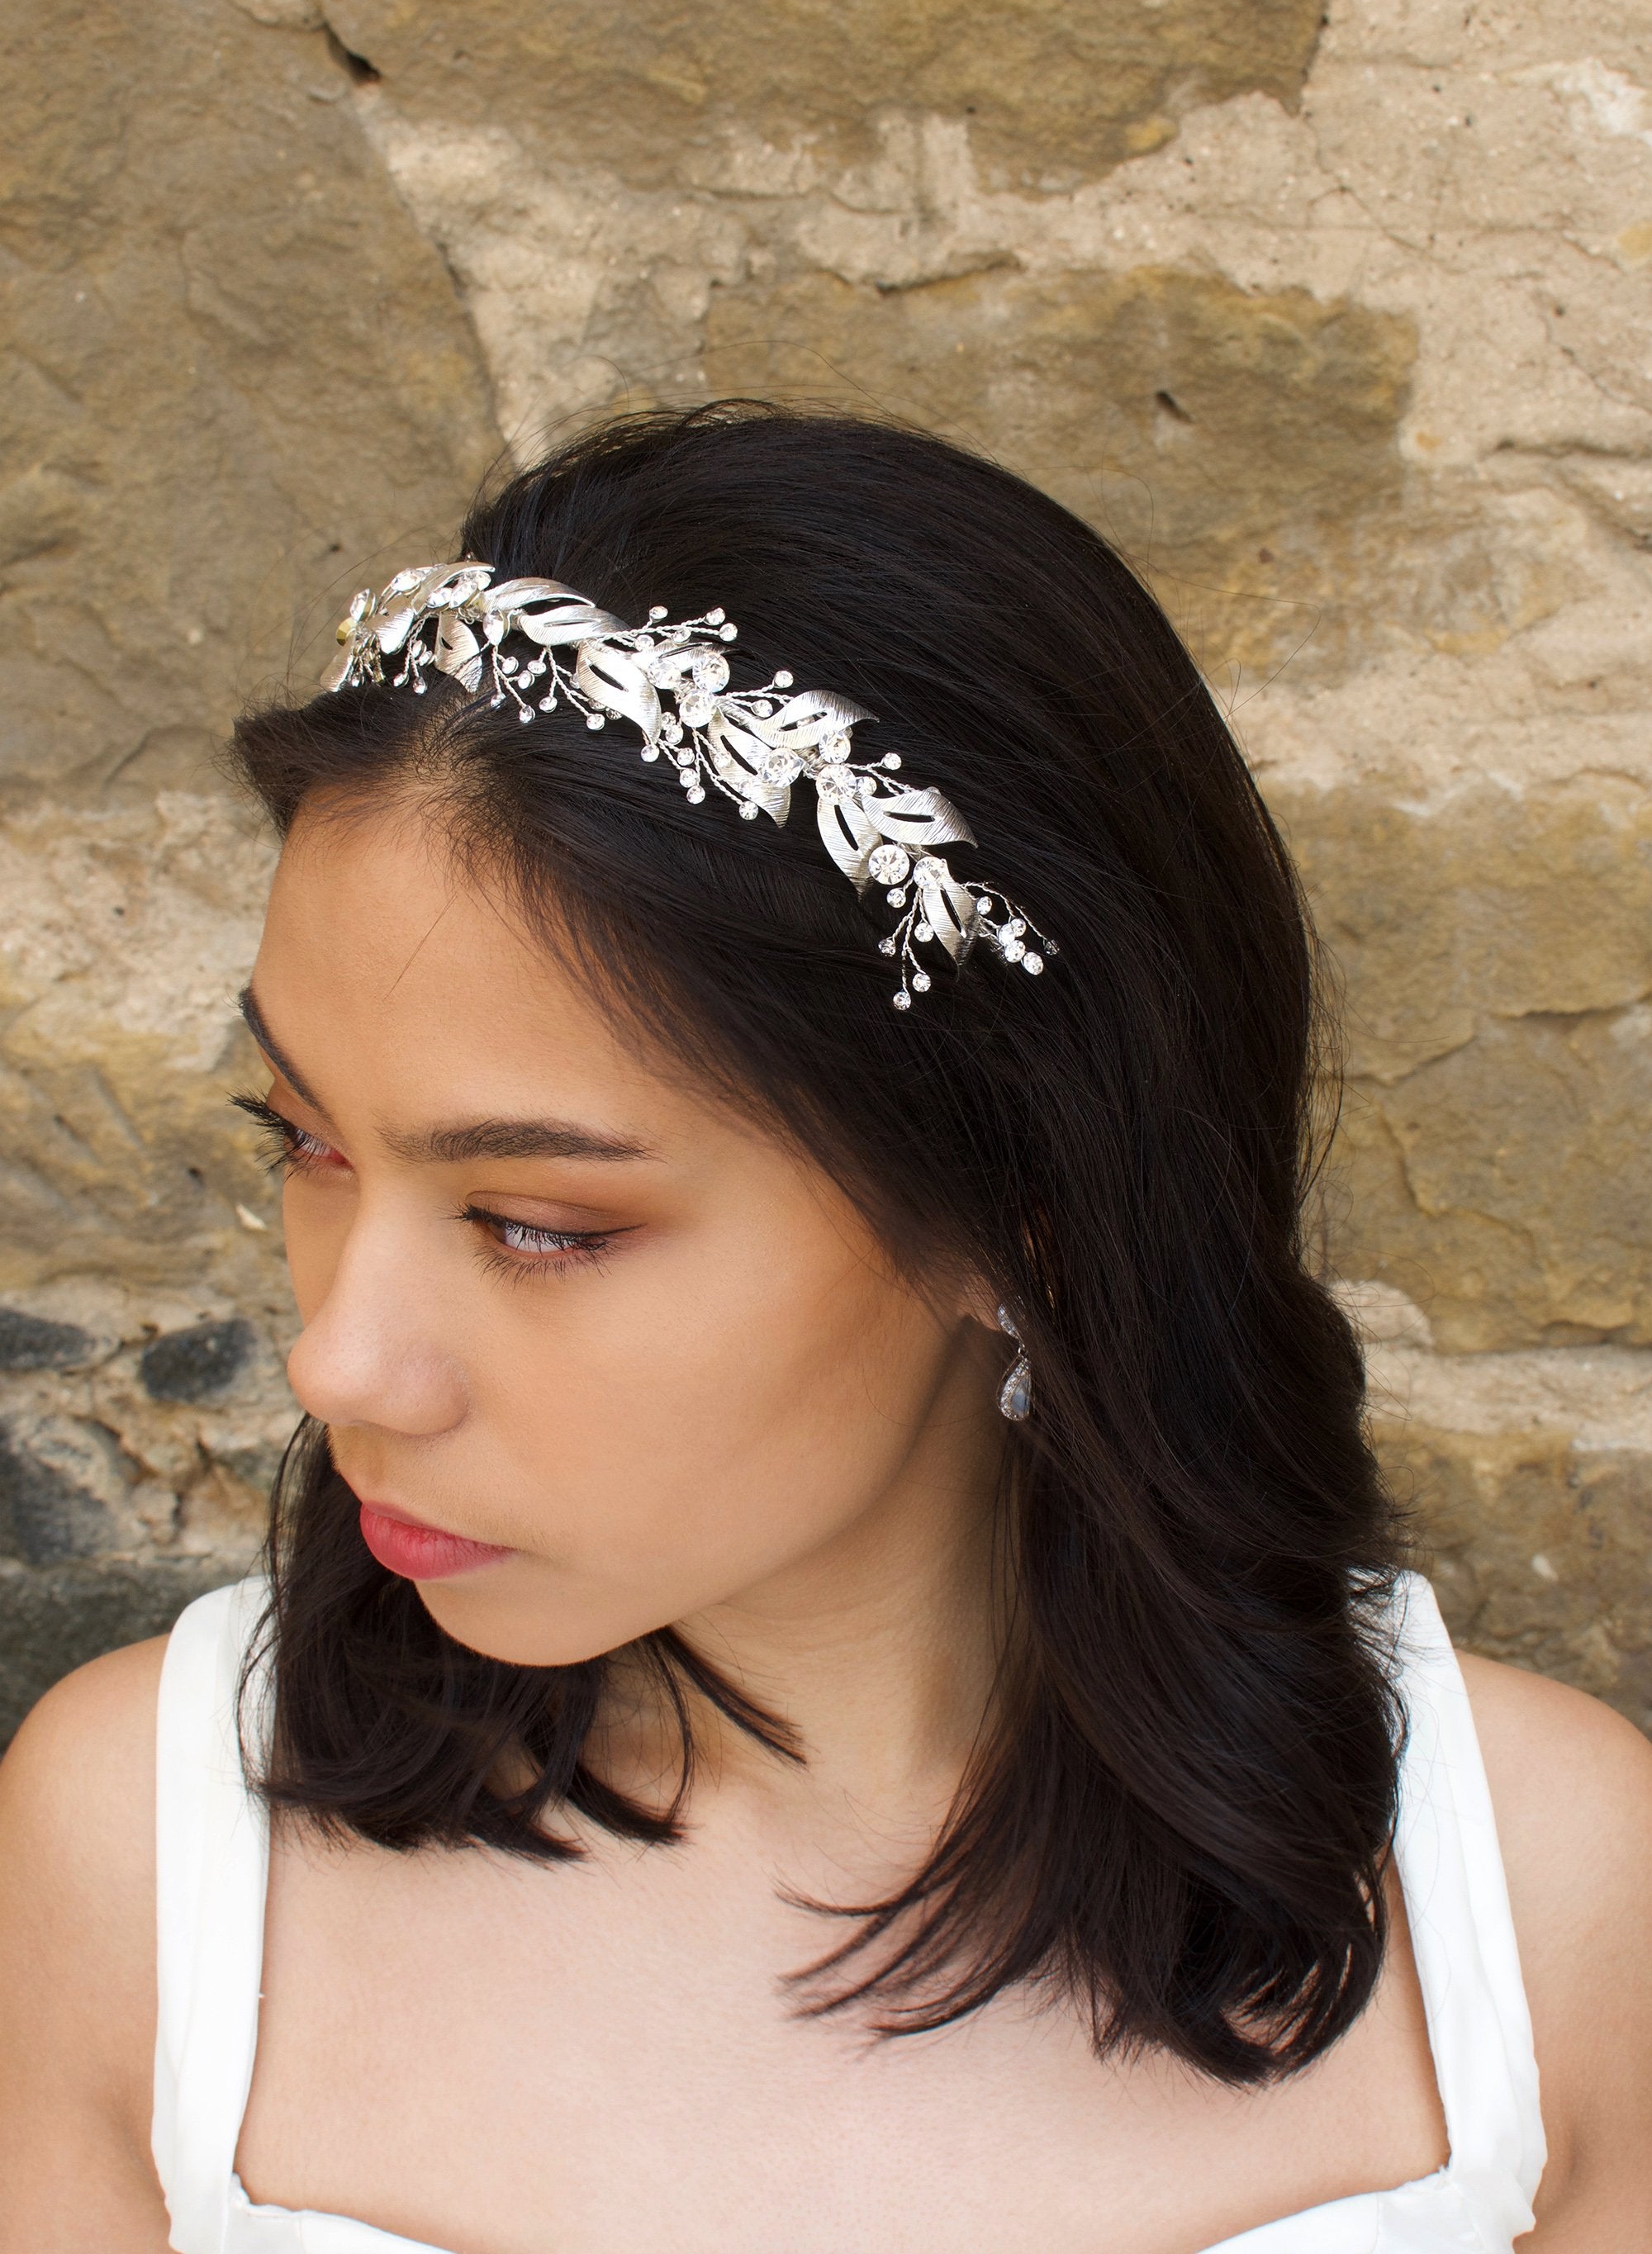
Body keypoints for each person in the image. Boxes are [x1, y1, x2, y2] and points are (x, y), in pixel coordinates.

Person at [1, 405, 1648, 2254]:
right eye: (304, 1140)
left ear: (1016, 1213)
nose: (339, 1362)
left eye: (540, 1225)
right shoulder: (139, 1868)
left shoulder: (1552, 1905)